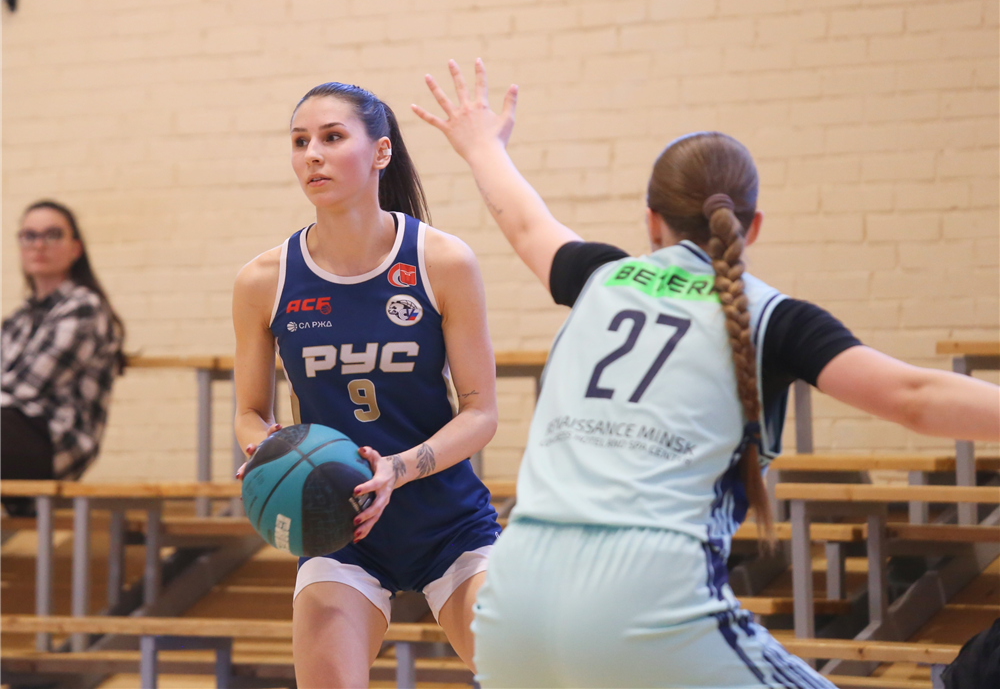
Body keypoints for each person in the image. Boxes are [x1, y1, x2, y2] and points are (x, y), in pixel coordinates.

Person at [413, 60, 1000, 689]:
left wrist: (481, 145)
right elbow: (914, 397)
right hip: (647, 612)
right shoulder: (774, 318)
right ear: (753, 226)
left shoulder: (598, 278)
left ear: (651, 220)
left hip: (510, 614)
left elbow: (526, 221)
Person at [232, 82, 501, 688]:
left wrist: (397, 470)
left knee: (528, 673)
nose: (312, 155)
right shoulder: (263, 280)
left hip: (447, 520)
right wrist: (266, 447)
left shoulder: (442, 261)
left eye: (332, 137)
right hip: (338, 527)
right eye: (300, 142)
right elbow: (250, 410)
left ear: (381, 151)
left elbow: (480, 412)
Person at [1, 200, 126, 504]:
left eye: (53, 234)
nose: (39, 245)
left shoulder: (83, 308)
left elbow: (26, 387)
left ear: (75, 248)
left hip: (53, 443)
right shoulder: (18, 319)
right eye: (29, 236)